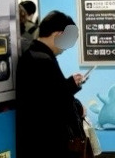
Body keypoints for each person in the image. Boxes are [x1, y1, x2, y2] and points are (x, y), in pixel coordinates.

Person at [16, 11, 88, 158]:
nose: (65, 48)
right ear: (58, 35)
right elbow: (55, 101)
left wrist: (70, 84)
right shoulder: (42, 60)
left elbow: (51, 92)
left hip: (38, 139)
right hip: (47, 141)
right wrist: (78, 107)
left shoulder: (34, 54)